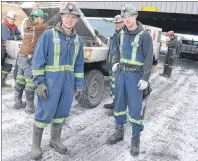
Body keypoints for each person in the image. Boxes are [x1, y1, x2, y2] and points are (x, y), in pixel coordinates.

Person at [29, 2, 84, 160]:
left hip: (67, 85)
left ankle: (55, 139)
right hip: (50, 83)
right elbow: (38, 60)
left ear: (77, 20)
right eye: (67, 16)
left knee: (62, 112)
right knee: (44, 112)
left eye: (73, 17)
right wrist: (39, 82)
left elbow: (79, 65)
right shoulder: (48, 35)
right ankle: (35, 145)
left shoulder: (78, 41)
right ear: (62, 17)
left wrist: (79, 85)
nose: (69, 20)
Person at [107, 4, 153, 157]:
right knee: (119, 104)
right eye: (124, 17)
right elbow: (117, 52)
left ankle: (135, 139)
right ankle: (119, 131)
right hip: (121, 74)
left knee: (134, 109)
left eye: (130, 17)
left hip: (135, 77)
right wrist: (116, 62)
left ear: (135, 16)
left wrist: (145, 78)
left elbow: (148, 59)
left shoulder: (144, 35)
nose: (127, 20)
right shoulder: (121, 34)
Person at [13, 9, 48, 113]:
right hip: (29, 58)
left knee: (20, 80)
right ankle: (29, 108)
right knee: (30, 83)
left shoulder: (27, 25)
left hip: (21, 57)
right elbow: (51, 25)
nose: (43, 20)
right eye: (41, 18)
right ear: (37, 19)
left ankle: (17, 102)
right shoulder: (39, 27)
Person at [95, 15, 124, 116]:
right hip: (112, 66)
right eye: (116, 23)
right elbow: (109, 43)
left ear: (123, 23)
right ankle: (114, 103)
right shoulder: (116, 34)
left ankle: (118, 109)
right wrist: (100, 36)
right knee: (113, 86)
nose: (117, 24)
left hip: (118, 66)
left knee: (118, 88)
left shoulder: (123, 35)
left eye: (119, 22)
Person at [1, 11, 22, 88]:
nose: (13, 21)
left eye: (14, 19)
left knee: (8, 66)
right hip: (2, 49)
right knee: (2, 65)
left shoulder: (14, 27)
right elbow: (5, 38)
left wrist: (17, 36)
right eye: (12, 19)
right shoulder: (4, 26)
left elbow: (19, 34)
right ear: (8, 18)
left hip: (8, 49)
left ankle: (2, 82)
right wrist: (16, 37)